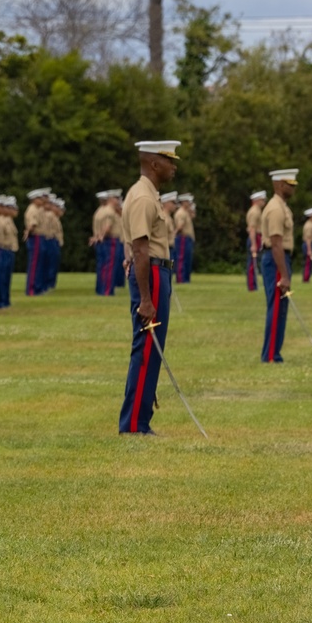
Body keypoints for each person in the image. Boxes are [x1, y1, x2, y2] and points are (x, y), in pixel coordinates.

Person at [118, 140, 180, 435]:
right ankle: (134, 424)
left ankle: (140, 419)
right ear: (155, 164)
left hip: (156, 271)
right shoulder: (143, 197)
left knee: (151, 350)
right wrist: (145, 298)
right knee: (146, 348)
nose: (174, 166)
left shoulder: (148, 194)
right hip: (151, 274)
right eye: (170, 160)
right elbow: (141, 250)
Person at [260, 169, 297, 363]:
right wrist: (284, 274)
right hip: (276, 261)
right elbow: (275, 243)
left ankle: (273, 353)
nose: (293, 188)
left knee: (280, 308)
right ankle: (271, 356)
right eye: (290, 184)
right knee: (276, 309)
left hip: (280, 259)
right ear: (280, 185)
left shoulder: (282, 206)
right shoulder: (275, 208)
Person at [23, 188, 50, 296]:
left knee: (39, 264)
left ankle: (37, 287)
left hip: (40, 237)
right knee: (35, 265)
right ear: (34, 199)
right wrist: (28, 232)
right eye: (39, 198)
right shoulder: (32, 209)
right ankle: (32, 289)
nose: (42, 200)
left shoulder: (37, 209)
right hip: (36, 238)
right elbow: (33, 224)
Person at [246, 191, 267, 291]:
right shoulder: (255, 211)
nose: (264, 202)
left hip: (258, 237)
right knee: (252, 263)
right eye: (262, 200)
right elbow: (252, 228)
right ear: (257, 200)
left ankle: (254, 284)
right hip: (255, 237)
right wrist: (254, 244)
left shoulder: (257, 211)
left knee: (255, 262)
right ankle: (252, 285)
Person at [174, 193, 195, 283]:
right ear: (183, 202)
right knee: (182, 259)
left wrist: (191, 209)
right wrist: (173, 234)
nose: (189, 203)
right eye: (187, 201)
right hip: (183, 238)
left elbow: (193, 216)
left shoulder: (186, 212)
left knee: (187, 260)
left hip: (188, 239)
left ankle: (186, 279)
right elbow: (180, 226)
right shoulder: (181, 213)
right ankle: (181, 279)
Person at [302, 207, 312, 282]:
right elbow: (308, 238)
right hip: (309, 244)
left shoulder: (311, 224)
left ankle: (307, 277)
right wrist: (309, 250)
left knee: (309, 262)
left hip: (310, 244)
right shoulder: (309, 225)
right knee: (308, 262)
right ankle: (306, 278)